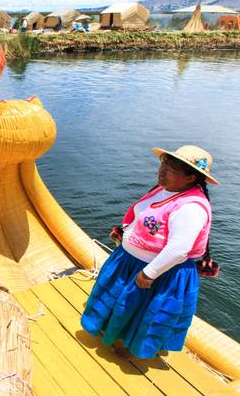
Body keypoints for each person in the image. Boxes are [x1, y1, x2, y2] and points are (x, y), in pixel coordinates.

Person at [81, 145, 219, 359]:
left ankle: (131, 348)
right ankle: (111, 331)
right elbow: (145, 216)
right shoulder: (165, 189)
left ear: (191, 178)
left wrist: (149, 273)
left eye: (171, 167)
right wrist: (124, 232)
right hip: (128, 261)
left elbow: (179, 249)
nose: (162, 170)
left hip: (159, 273)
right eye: (163, 163)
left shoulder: (191, 207)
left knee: (143, 310)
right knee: (121, 301)